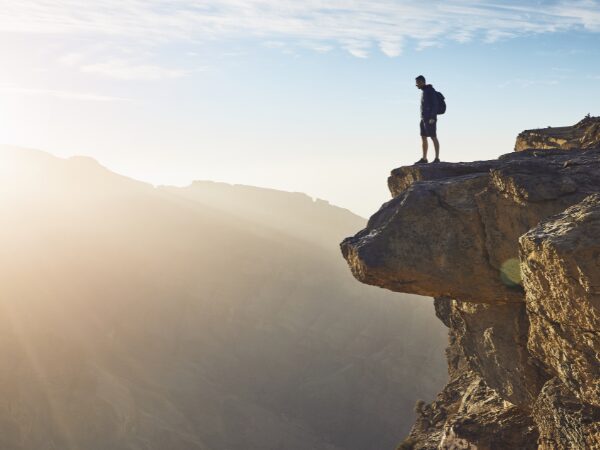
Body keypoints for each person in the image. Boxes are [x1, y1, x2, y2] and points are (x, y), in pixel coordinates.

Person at [415, 75, 440, 164]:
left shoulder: (430, 90)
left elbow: (435, 104)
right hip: (423, 118)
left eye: (417, 83)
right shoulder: (424, 91)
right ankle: (424, 158)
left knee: (433, 137)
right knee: (423, 137)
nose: (416, 85)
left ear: (422, 82)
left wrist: (433, 117)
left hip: (430, 118)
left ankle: (437, 158)